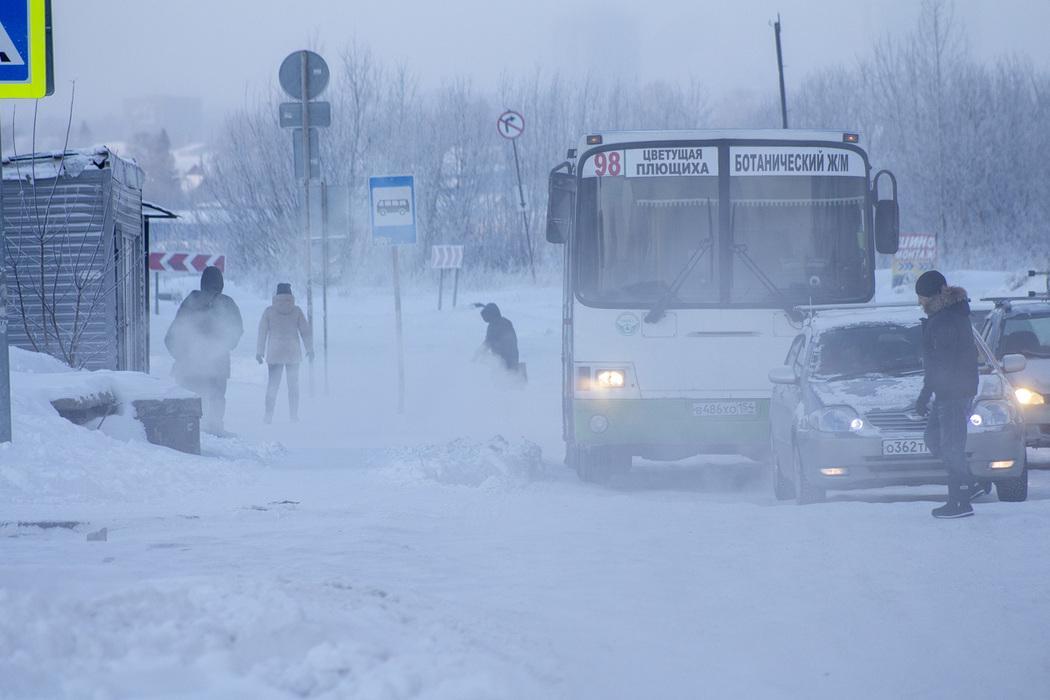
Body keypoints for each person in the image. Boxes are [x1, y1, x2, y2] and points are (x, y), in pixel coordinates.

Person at [914, 270, 979, 519]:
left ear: (933, 296)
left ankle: (960, 502)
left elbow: (940, 363)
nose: (920, 302)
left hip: (952, 391)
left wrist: (924, 394)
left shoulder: (945, 321)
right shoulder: (950, 315)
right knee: (933, 437)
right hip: (953, 389)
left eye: (922, 297)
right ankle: (969, 482)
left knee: (951, 447)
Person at [165, 265, 243, 436]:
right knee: (216, 396)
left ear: (203, 282)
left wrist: (181, 356)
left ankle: (190, 428)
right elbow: (236, 330)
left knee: (191, 397)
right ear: (220, 283)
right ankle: (214, 427)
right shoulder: (227, 303)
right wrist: (223, 347)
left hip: (190, 364)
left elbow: (172, 336)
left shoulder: (190, 301)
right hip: (218, 364)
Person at [256, 282, 313, 423]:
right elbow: (305, 332)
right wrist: (310, 349)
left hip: (274, 353)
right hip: (292, 354)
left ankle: (268, 415)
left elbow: (262, 332)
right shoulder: (297, 311)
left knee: (272, 386)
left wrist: (260, 351)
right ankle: (293, 416)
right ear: (290, 295)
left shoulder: (269, 311)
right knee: (293, 386)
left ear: (276, 295)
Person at [476, 302, 519, 372]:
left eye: (487, 317)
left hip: (504, 361)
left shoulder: (494, 326)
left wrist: (477, 354)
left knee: (505, 379)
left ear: (491, 315)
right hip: (512, 359)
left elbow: (488, 343)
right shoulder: (506, 322)